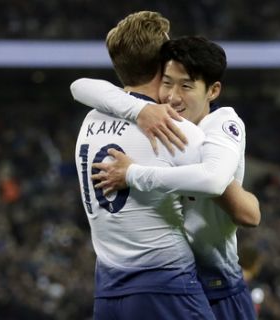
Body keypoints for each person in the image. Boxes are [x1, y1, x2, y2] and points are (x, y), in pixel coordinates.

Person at [71, 36, 260, 319]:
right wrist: (141, 109)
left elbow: (247, 212)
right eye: (167, 82)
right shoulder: (157, 121)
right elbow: (80, 86)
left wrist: (134, 174)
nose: (172, 96)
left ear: (213, 91)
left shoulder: (220, 126)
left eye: (186, 86)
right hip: (171, 286)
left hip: (218, 288)